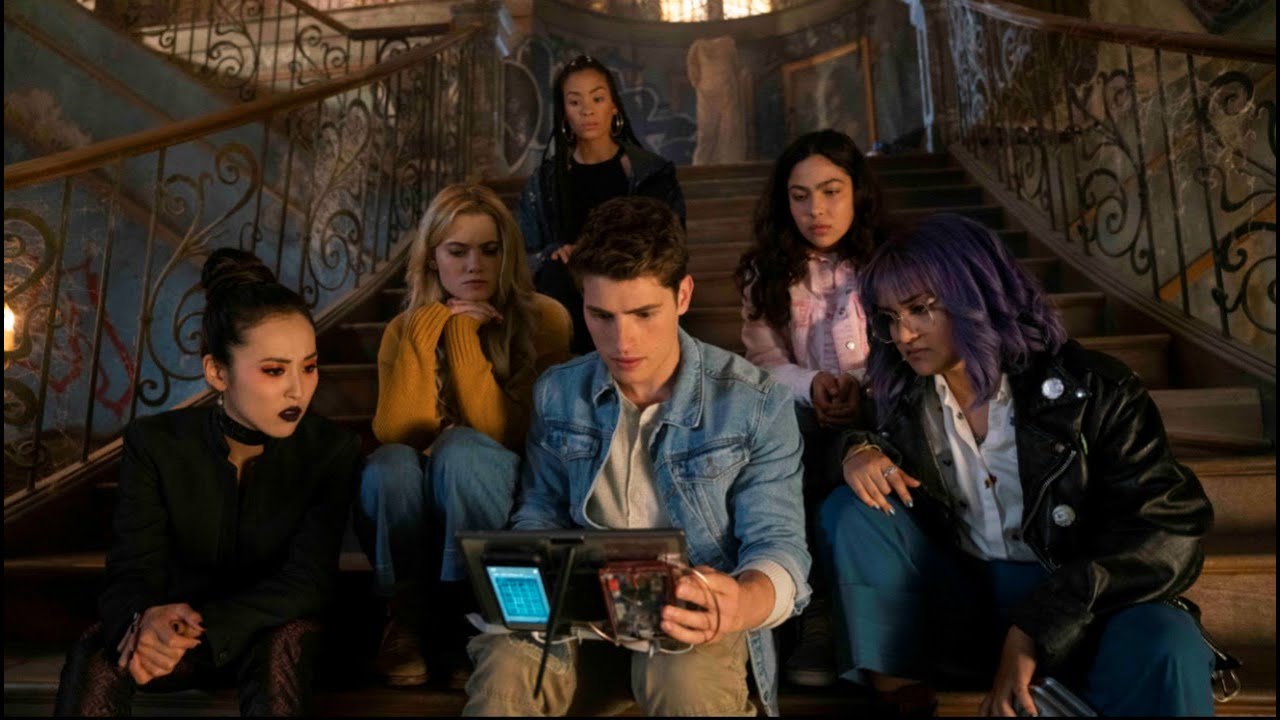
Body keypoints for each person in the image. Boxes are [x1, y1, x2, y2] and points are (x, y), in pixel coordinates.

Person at [818, 213, 1216, 716]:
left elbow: (1170, 528)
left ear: (976, 294)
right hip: (960, 608)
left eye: (920, 309)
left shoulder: (1095, 390)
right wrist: (855, 450)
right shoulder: (899, 400)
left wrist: (1036, 624)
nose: (904, 333)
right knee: (850, 509)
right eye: (890, 317)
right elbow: (831, 454)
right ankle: (900, 696)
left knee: (1168, 643)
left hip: (1080, 600)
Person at [463, 196, 811, 717]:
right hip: (580, 619)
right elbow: (539, 512)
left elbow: (780, 546)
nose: (622, 341)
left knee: (685, 684)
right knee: (504, 670)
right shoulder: (557, 392)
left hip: (692, 614)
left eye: (644, 314)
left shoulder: (757, 403)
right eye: (601, 315)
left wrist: (742, 602)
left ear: (683, 295)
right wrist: (532, 573)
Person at [53, 248, 361, 716]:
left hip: (276, 631)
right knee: (101, 648)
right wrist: (146, 622)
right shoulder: (155, 444)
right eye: (274, 370)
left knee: (284, 641)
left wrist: (195, 627)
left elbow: (307, 582)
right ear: (217, 371)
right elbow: (132, 568)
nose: (298, 389)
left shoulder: (330, 450)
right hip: (177, 641)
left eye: (309, 366)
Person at [355, 183, 572, 687]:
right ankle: (406, 617)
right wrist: (426, 331)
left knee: (460, 447)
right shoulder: (404, 329)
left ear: (507, 254)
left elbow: (508, 433)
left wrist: (461, 338)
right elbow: (397, 431)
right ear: (432, 258)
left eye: (489, 250)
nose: (475, 265)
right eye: (457, 251)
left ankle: (468, 615)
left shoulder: (545, 318)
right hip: (422, 511)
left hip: (496, 494)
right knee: (388, 463)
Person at [734, 129, 887, 687]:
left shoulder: (889, 260)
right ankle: (813, 611)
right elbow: (763, 360)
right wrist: (815, 383)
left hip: (883, 413)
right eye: (800, 196)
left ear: (856, 192)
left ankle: (863, 620)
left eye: (830, 192)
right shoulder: (767, 270)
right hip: (803, 414)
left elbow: (914, 345)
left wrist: (860, 391)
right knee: (785, 438)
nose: (815, 210)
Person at [518, 54, 687, 354]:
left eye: (597, 99)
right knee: (556, 274)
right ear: (564, 112)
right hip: (568, 290)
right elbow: (525, 251)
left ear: (613, 106)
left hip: (633, 280)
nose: (588, 110)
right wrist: (553, 251)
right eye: (575, 102)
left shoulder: (650, 173)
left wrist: (604, 256)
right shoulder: (545, 181)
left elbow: (671, 244)